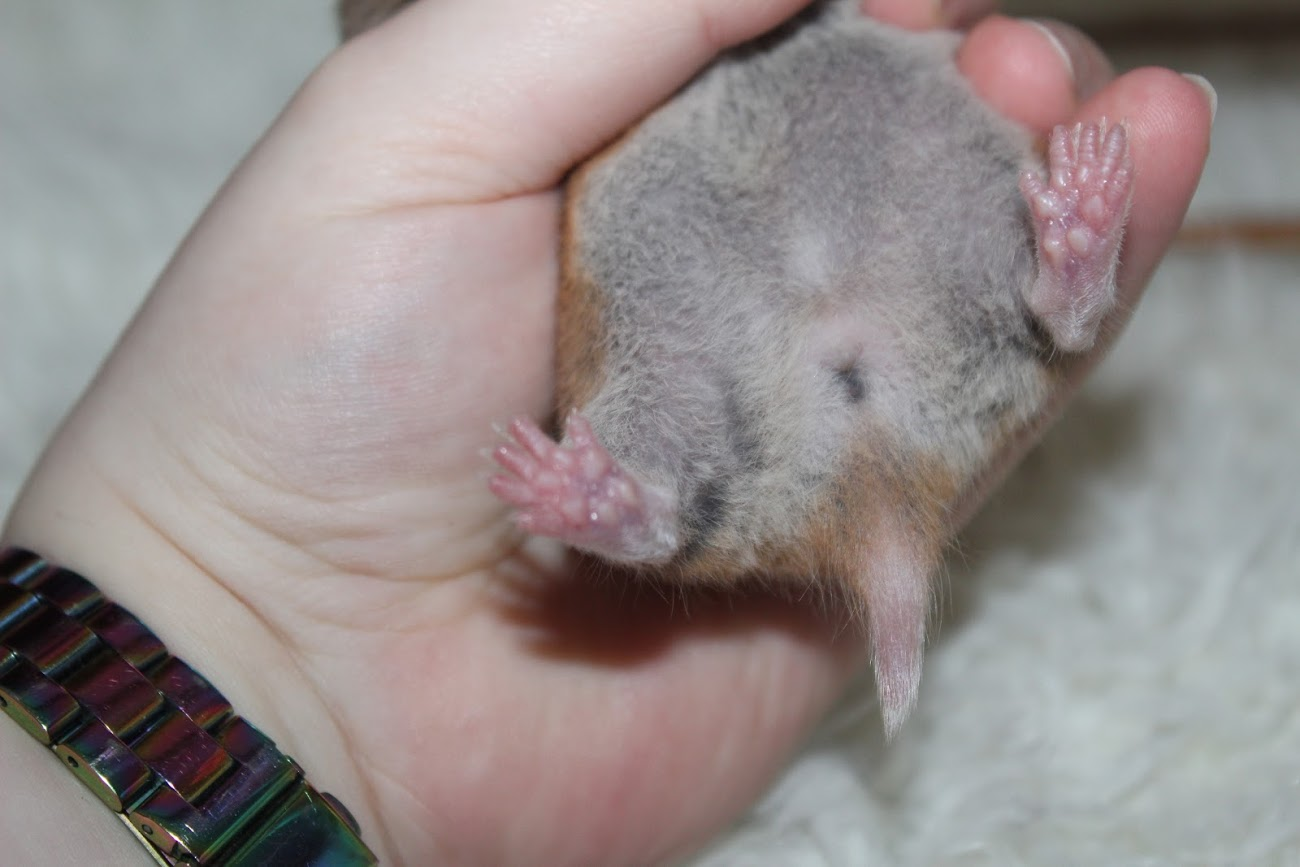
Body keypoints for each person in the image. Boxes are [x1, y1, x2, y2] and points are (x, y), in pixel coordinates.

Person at [0, 0, 1211, 863]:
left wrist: (241, 633)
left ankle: (1046, 281)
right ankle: (654, 501)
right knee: (657, 340)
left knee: (940, 133)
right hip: (745, 314)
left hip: (841, 200)